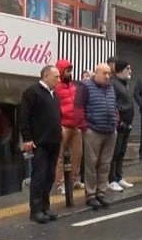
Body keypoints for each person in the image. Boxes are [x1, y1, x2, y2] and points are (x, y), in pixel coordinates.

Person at [19, 65, 62, 224]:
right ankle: (35, 210)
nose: (58, 80)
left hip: (54, 141)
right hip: (40, 142)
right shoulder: (33, 92)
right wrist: (27, 139)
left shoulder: (54, 95)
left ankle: (45, 207)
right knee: (39, 176)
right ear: (45, 76)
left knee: (49, 176)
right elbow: (24, 117)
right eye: (56, 77)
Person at [74, 62, 118, 210]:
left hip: (110, 131)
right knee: (91, 164)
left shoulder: (111, 88)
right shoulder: (85, 87)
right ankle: (91, 195)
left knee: (105, 164)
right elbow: (78, 109)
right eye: (104, 73)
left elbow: (114, 106)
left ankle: (101, 192)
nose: (107, 76)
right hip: (93, 130)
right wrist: (85, 128)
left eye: (109, 74)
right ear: (96, 73)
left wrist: (115, 122)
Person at [53, 59, 84, 194]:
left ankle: (73, 180)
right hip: (63, 125)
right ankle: (60, 184)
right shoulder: (57, 87)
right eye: (67, 70)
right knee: (59, 157)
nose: (70, 73)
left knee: (77, 155)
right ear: (61, 71)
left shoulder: (73, 86)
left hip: (75, 125)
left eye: (70, 70)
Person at [108, 61, 136, 192]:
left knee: (122, 152)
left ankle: (119, 176)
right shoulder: (114, 85)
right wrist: (120, 122)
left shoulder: (126, 84)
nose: (130, 71)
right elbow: (114, 104)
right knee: (115, 152)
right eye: (128, 68)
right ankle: (111, 179)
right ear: (120, 70)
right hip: (119, 125)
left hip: (127, 125)